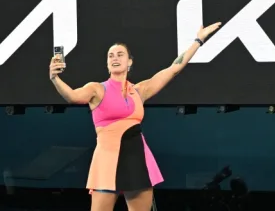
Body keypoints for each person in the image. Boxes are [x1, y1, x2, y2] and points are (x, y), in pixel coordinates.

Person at [48, 23, 222, 210]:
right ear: (107, 63)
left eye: (120, 54)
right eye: (110, 56)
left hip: (137, 158)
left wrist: (198, 40)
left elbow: (174, 68)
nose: (115, 58)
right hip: (107, 161)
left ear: (130, 62)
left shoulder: (139, 90)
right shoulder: (96, 89)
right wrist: (55, 79)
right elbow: (72, 96)